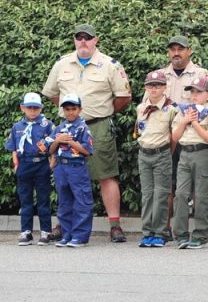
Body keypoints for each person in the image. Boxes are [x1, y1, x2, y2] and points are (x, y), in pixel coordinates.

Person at [42, 24, 131, 243]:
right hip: (67, 127)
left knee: (106, 175)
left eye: (88, 38)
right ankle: (64, 224)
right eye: (79, 37)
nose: (83, 41)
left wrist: (103, 112)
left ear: (96, 40)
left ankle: (114, 225)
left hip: (98, 125)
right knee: (65, 175)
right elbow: (53, 94)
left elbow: (123, 97)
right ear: (74, 40)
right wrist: (70, 114)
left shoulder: (110, 65)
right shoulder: (62, 64)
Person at [158, 35, 208, 241]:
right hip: (170, 135)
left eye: (180, 49)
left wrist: (190, 119)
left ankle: (202, 230)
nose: (176, 53)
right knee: (170, 185)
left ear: (189, 50)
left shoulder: (201, 74)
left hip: (195, 135)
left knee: (199, 188)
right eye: (172, 49)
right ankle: (168, 228)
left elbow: (206, 108)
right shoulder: (161, 75)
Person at [171, 77, 208, 249]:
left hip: (203, 153)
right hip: (185, 153)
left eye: (199, 92)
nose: (194, 95)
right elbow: (174, 138)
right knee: (181, 194)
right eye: (193, 92)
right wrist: (185, 121)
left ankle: (201, 233)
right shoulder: (183, 111)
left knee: (201, 195)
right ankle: (181, 234)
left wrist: (195, 123)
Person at [6, 92, 56, 245]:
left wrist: (51, 164)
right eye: (29, 108)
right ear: (23, 108)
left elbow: (54, 146)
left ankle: (45, 232)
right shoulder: (17, 127)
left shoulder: (47, 124)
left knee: (43, 200)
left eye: (36, 108)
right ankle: (26, 232)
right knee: (25, 200)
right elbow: (14, 147)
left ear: (41, 108)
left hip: (41, 164)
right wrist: (16, 164)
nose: (32, 111)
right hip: (24, 164)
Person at [134, 71, 177, 248]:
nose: (154, 88)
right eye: (151, 85)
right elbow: (139, 130)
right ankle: (147, 232)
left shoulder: (171, 108)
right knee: (147, 194)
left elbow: (174, 136)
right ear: (146, 87)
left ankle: (160, 232)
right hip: (144, 154)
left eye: (158, 85)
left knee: (161, 194)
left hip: (162, 154)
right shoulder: (141, 108)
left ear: (165, 87)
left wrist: (166, 152)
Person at [46, 93, 95, 248]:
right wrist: (57, 140)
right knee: (64, 202)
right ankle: (67, 234)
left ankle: (80, 236)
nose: (70, 112)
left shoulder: (83, 128)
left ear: (79, 109)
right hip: (61, 167)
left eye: (73, 109)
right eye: (67, 109)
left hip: (76, 167)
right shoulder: (59, 128)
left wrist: (72, 143)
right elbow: (50, 149)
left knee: (82, 200)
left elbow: (87, 151)